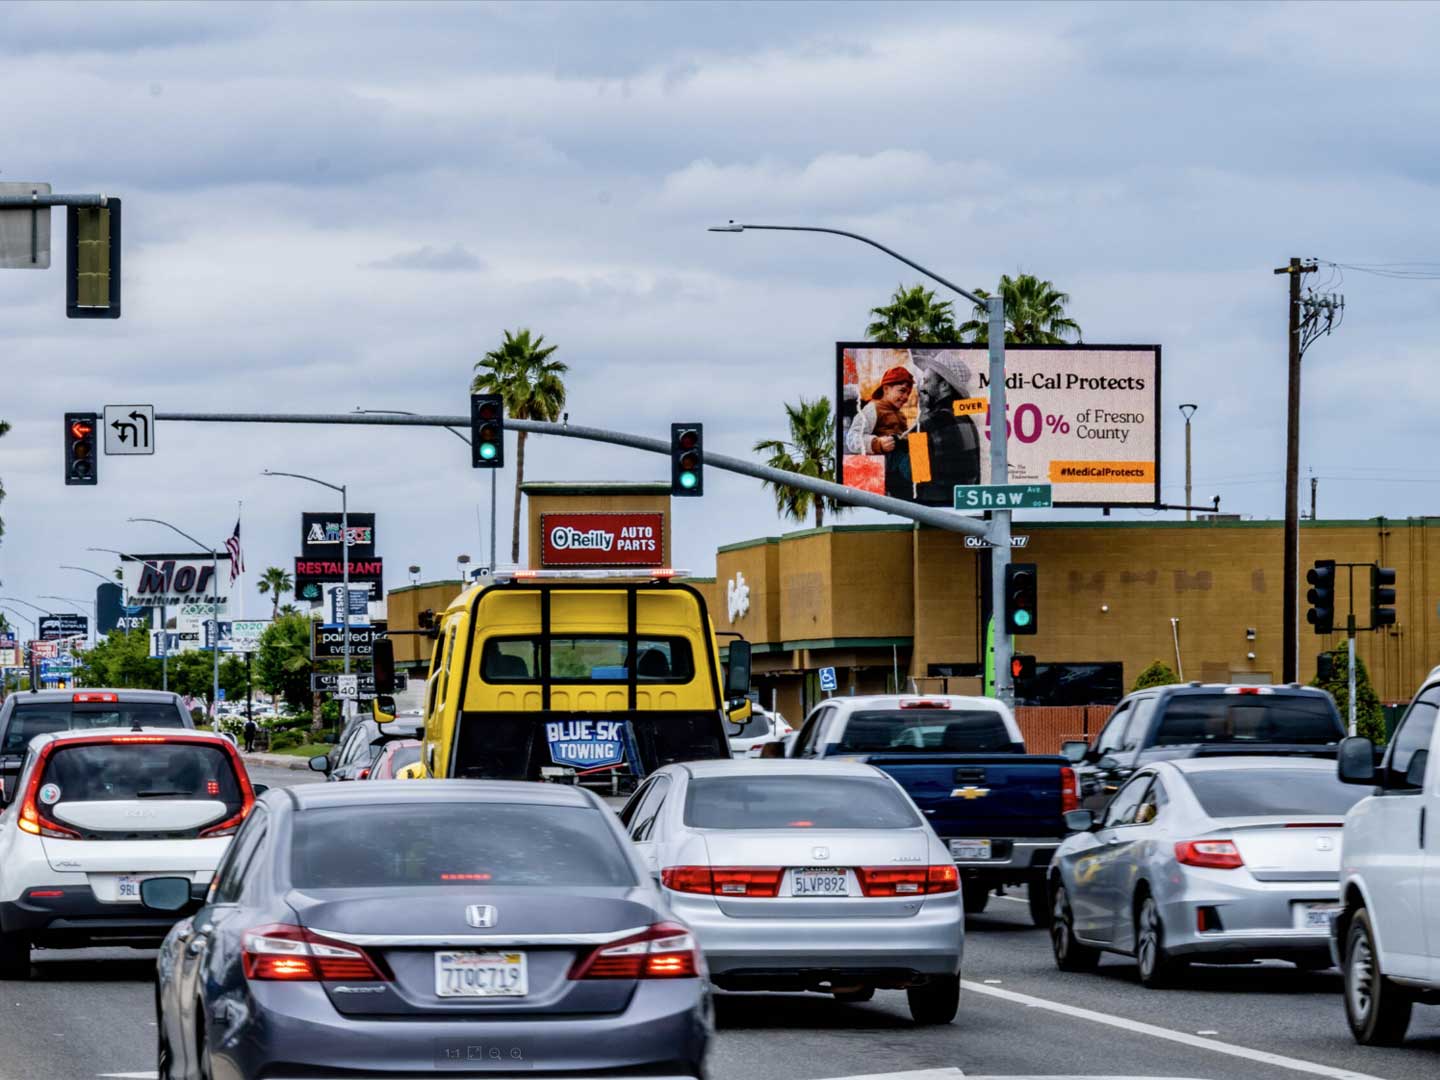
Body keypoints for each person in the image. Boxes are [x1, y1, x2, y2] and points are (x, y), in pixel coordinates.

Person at [910, 350, 982, 505]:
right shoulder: (968, 421)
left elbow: (917, 477)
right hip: (965, 509)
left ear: (944, 386)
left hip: (933, 512)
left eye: (927, 381)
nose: (922, 388)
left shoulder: (926, 424)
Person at [845, 365, 916, 499]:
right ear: (886, 389)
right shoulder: (873, 409)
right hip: (887, 464)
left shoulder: (900, 414)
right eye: (902, 391)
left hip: (901, 465)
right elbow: (852, 438)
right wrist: (877, 443)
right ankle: (923, 485)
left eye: (908, 393)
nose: (906, 397)